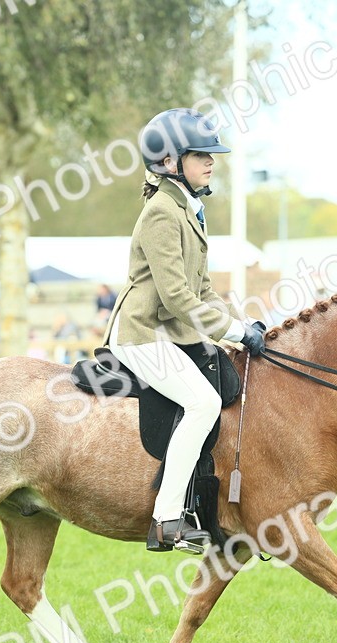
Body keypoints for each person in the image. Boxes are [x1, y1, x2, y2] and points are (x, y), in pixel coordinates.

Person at [101, 107, 266, 555]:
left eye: (211, 155)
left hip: (172, 332)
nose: (211, 162)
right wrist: (233, 332)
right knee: (202, 402)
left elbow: (203, 290)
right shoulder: (161, 212)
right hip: (143, 334)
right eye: (200, 155)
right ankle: (166, 518)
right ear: (170, 162)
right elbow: (176, 297)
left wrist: (241, 324)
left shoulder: (189, 210)